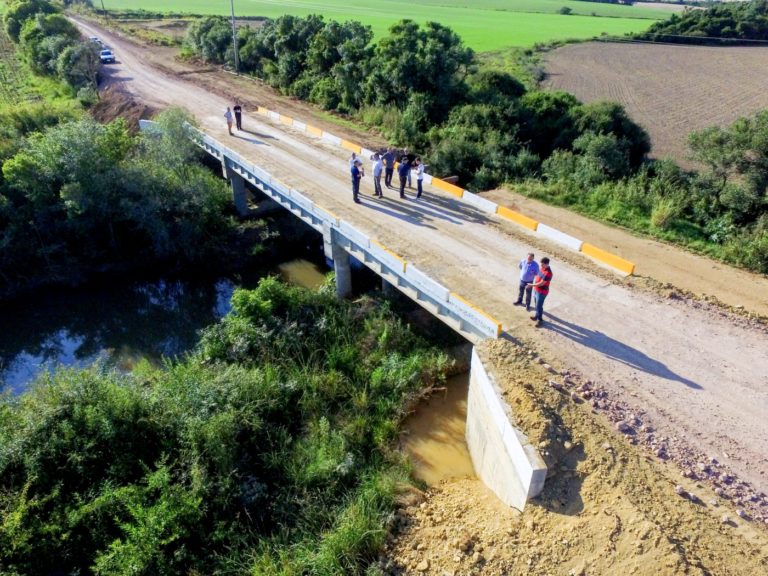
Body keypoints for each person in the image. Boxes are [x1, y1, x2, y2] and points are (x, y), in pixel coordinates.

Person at [529, 257, 553, 327]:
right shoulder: (542, 268)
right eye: (541, 264)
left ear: (547, 264)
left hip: (542, 292)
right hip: (537, 289)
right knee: (537, 304)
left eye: (542, 264)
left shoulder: (548, 273)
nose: (541, 266)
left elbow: (541, 283)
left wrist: (532, 285)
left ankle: (540, 320)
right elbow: (538, 276)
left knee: (539, 306)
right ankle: (536, 316)